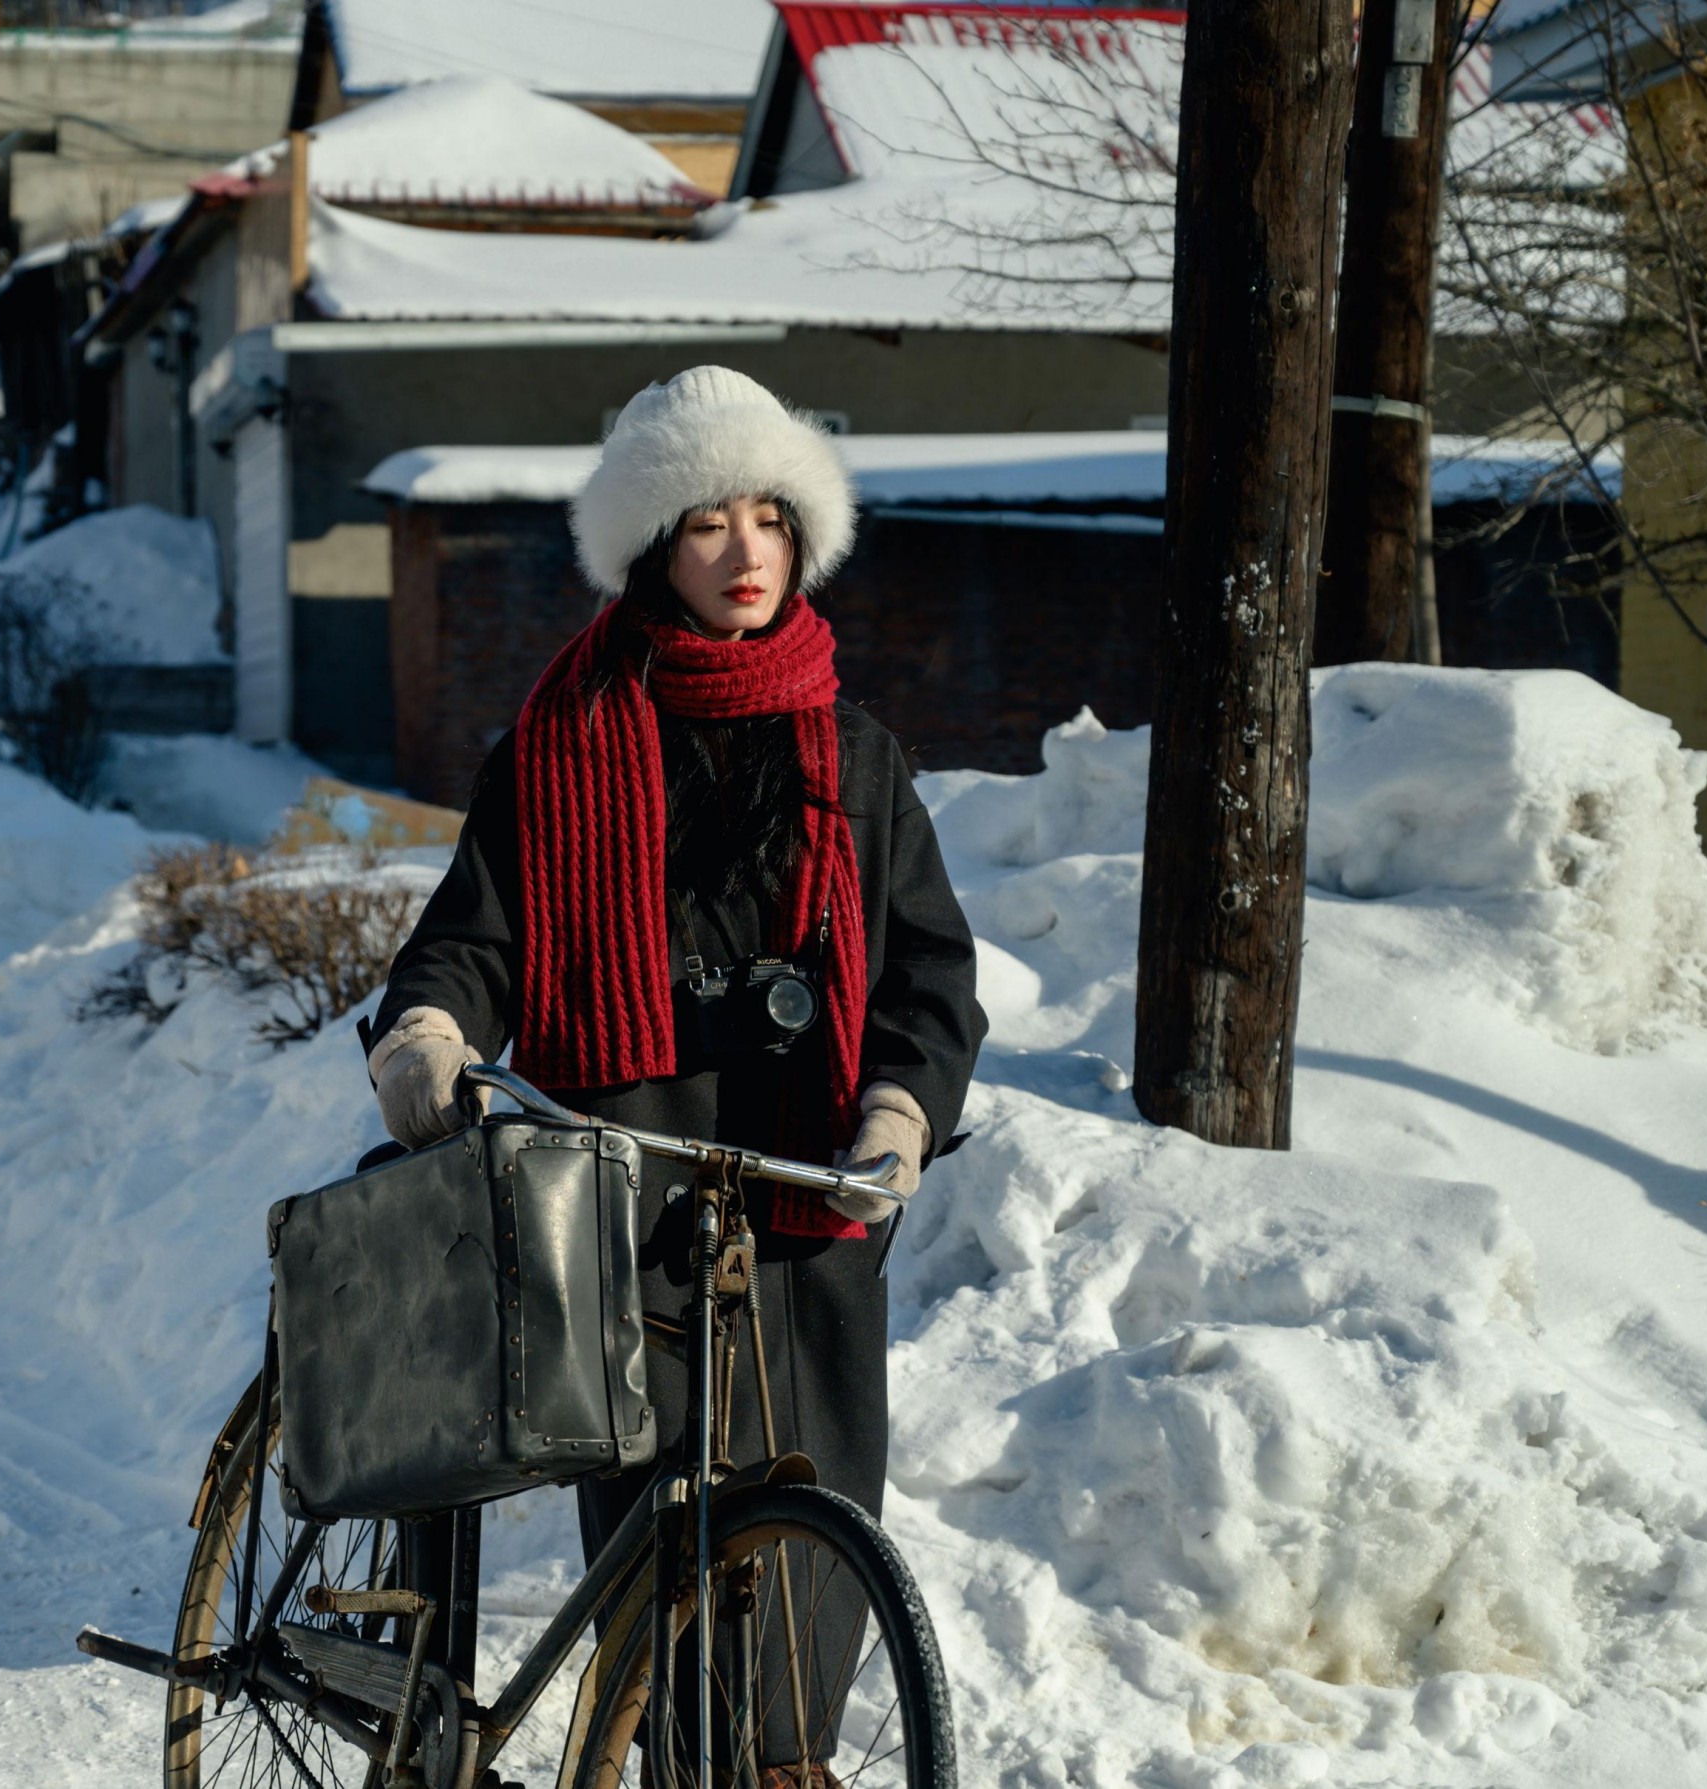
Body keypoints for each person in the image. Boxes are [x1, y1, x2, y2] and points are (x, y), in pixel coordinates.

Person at [364, 366, 986, 1771]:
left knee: (813, 1559)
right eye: (708, 521)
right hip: (624, 1198)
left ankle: (783, 1765)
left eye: (769, 516)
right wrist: (431, 1036)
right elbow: (474, 940)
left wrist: (900, 1111)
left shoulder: (855, 755)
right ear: (653, 546)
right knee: (659, 1571)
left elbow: (929, 975)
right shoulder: (559, 747)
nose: (746, 550)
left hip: (806, 1204)